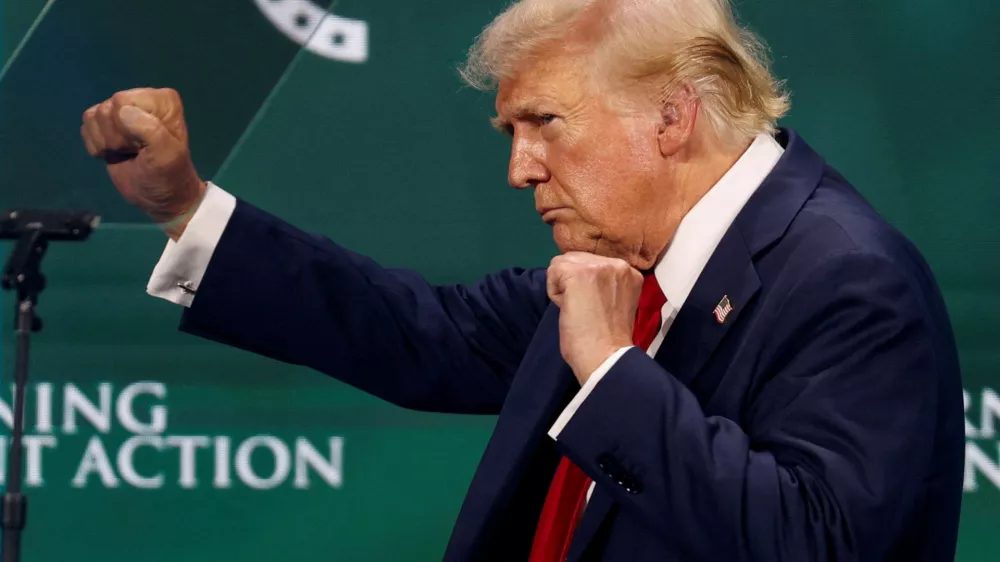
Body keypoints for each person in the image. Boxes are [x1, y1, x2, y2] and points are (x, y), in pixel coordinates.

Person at [79, 0, 965, 560]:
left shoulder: (849, 278)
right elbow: (412, 328)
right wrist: (185, 205)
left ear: (671, 114)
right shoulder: (617, 262)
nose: (520, 168)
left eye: (543, 123)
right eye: (510, 130)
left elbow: (816, 543)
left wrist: (614, 373)